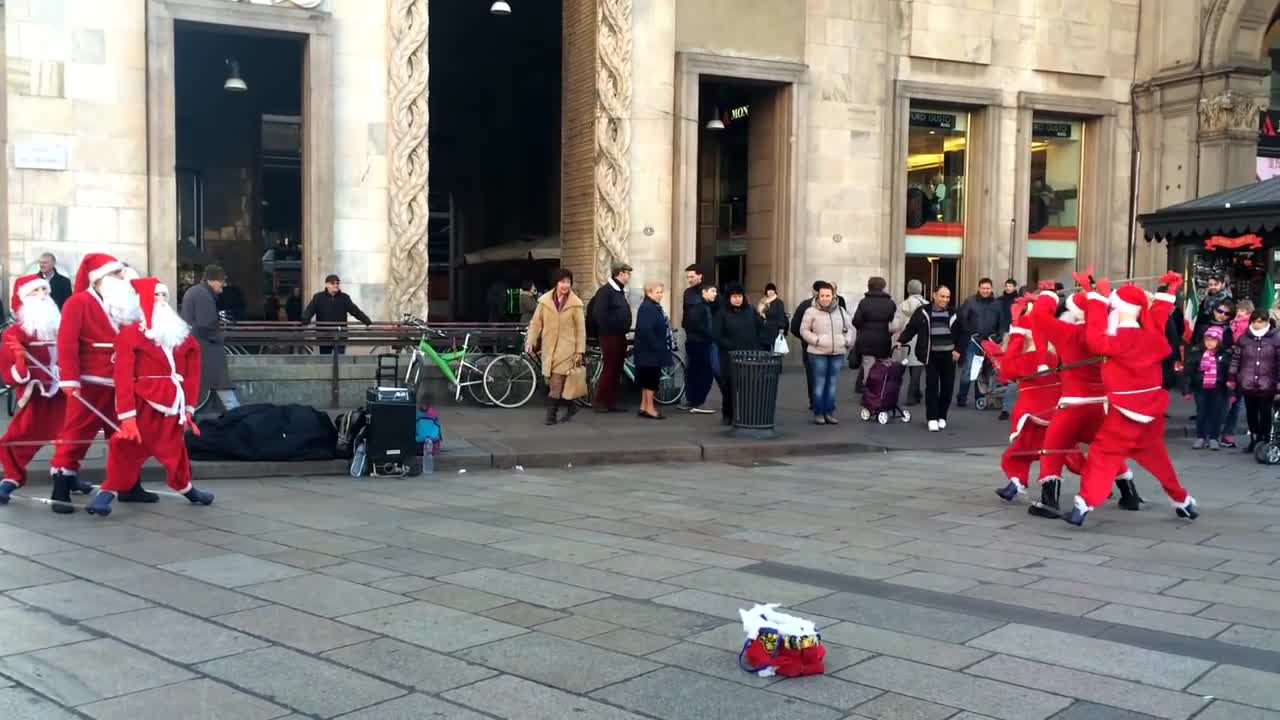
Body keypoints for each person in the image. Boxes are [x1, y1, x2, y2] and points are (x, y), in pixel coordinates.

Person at [1065, 273, 1198, 527]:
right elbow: (1157, 316)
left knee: (1101, 456)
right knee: (1158, 460)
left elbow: (1093, 335)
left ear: (1119, 308)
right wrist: (1168, 290)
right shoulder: (1152, 336)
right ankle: (1183, 501)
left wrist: (1092, 296)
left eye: (1113, 306)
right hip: (1151, 411)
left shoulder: (1115, 340)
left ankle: (1084, 504)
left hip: (1124, 413)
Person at [86, 279, 214, 517]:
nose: (162, 302)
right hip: (143, 404)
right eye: (156, 296)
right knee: (124, 449)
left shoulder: (181, 335)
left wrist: (188, 406)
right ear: (143, 300)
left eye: (165, 296)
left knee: (175, 452)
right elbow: (122, 376)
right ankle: (106, 493)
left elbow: (192, 372)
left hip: (172, 405)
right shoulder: (131, 335)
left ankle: (186, 488)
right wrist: (127, 416)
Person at [50, 253, 157, 513]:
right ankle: (61, 489)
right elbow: (66, 343)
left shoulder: (123, 305)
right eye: (117, 274)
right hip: (89, 382)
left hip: (122, 383)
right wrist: (70, 379)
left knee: (127, 434)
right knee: (76, 434)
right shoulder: (78, 302)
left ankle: (129, 485)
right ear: (100, 279)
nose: (123, 278)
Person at [1023, 283, 1137, 517]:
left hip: (1073, 405)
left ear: (1075, 311)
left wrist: (1048, 294)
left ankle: (1049, 501)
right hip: (1100, 406)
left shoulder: (1068, 333)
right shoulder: (1110, 336)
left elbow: (1038, 315)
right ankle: (1129, 493)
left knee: (1052, 448)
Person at [0, 275, 67, 505]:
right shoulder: (14, 333)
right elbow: (10, 374)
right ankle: (11, 478)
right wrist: (19, 358)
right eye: (36, 291)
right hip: (36, 395)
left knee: (70, 438)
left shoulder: (60, 328)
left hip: (63, 393)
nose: (43, 295)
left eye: (45, 290)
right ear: (24, 298)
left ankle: (68, 478)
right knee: (17, 438)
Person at [992, 296, 1063, 502]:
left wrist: (1014, 332)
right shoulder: (1054, 355)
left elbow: (1007, 373)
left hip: (1033, 413)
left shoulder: (1026, 359)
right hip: (1050, 412)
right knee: (1032, 451)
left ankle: (1037, 493)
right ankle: (1016, 485)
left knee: (1022, 452)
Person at [525, 269, 586, 425]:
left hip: (567, 349)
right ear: (556, 283)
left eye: (568, 282)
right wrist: (530, 341)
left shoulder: (576, 304)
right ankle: (572, 405)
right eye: (562, 281)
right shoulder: (544, 302)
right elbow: (536, 323)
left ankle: (550, 416)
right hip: (549, 348)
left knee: (556, 382)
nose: (565, 285)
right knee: (555, 382)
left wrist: (580, 350)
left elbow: (580, 329)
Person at [896, 285, 961, 432]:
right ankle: (932, 418)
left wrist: (958, 350)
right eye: (942, 296)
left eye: (947, 297)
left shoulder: (954, 313)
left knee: (947, 387)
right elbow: (911, 328)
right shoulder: (923, 311)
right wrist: (901, 341)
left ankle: (942, 416)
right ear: (934, 295)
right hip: (930, 355)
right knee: (932, 387)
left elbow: (963, 333)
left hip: (949, 356)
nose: (945, 299)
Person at [181, 265, 239, 414]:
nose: (224, 285)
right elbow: (206, 325)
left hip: (200, 347)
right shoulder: (203, 295)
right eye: (221, 281)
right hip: (206, 349)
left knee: (210, 390)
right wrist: (220, 337)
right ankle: (239, 417)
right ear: (212, 280)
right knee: (222, 388)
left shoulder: (197, 292)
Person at [713, 284, 768, 426]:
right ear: (729, 298)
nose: (737, 299)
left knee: (748, 388)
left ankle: (746, 414)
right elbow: (717, 335)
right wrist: (729, 346)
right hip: (729, 357)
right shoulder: (722, 313)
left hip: (750, 356)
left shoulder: (750, 311)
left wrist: (760, 346)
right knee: (729, 388)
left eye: (740, 296)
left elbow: (761, 328)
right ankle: (728, 415)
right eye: (734, 297)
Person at [800, 282, 853, 425]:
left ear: (833, 296)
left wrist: (847, 341)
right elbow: (803, 330)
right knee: (820, 383)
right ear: (818, 296)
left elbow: (850, 328)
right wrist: (816, 340)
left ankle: (829, 412)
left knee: (832, 384)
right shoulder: (810, 311)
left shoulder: (841, 311)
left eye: (828, 295)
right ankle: (819, 413)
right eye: (822, 295)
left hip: (837, 352)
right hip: (818, 352)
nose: (825, 298)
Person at [1230, 309, 1279, 453]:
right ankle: (1254, 437)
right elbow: (1236, 359)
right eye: (1255, 321)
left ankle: (1264, 438)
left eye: (1260, 321)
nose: (1257, 324)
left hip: (1267, 383)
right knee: (1251, 413)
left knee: (1265, 412)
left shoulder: (1276, 338)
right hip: (1248, 381)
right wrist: (1232, 377)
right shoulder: (1244, 338)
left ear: (1266, 322)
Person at [589, 262, 633, 413]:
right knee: (609, 368)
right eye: (627, 273)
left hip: (619, 336)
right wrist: (611, 328)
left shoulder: (618, 291)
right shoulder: (606, 291)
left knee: (616, 369)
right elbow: (599, 314)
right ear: (620, 273)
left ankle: (610, 401)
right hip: (610, 336)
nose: (629, 276)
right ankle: (600, 401)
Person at [955, 278, 1004, 407]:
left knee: (985, 372)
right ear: (979, 288)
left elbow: (1002, 322)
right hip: (974, 341)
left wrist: (999, 336)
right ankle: (962, 396)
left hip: (990, 342)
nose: (985, 291)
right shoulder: (970, 302)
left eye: (988, 288)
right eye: (983, 288)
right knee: (969, 370)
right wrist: (969, 332)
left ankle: (980, 397)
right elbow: (961, 318)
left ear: (991, 288)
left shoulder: (997, 304)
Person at [302, 274, 373, 354]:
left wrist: (367, 321)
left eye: (337, 283)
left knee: (340, 360)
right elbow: (309, 310)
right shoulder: (318, 297)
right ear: (327, 285)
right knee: (325, 360)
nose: (336, 285)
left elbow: (355, 311)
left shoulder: (344, 298)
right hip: (324, 335)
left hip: (340, 335)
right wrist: (305, 320)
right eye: (333, 283)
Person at [634, 281, 673, 420]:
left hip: (647, 351)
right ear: (649, 292)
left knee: (646, 380)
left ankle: (644, 406)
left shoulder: (650, 306)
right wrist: (657, 346)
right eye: (658, 292)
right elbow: (646, 330)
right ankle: (650, 408)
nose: (660, 295)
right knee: (651, 380)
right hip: (650, 351)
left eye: (661, 292)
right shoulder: (648, 307)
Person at [851, 276, 897, 393]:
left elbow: (856, 321)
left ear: (869, 286)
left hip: (866, 339)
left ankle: (869, 392)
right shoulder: (890, 303)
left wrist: (864, 327)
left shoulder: (864, 302)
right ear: (883, 286)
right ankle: (881, 390)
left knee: (868, 366)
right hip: (883, 338)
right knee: (883, 365)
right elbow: (894, 321)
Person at [1220, 299, 1254, 447]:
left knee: (1236, 402)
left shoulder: (1249, 328)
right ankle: (1221, 432)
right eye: (1239, 310)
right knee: (1226, 401)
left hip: (1242, 368)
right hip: (1229, 365)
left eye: (1242, 311)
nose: (1239, 313)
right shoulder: (1232, 325)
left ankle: (1228, 433)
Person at [681, 284, 718, 414]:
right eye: (712, 291)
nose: (715, 294)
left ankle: (694, 400)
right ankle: (699, 402)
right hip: (699, 343)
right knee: (704, 373)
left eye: (716, 291)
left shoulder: (702, 306)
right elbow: (695, 325)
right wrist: (711, 335)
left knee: (695, 372)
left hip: (696, 342)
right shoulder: (700, 306)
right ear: (704, 292)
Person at [790, 282, 823, 410]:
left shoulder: (833, 308)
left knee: (814, 376)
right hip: (811, 348)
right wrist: (808, 339)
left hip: (814, 347)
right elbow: (795, 327)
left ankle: (816, 402)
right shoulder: (805, 306)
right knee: (819, 376)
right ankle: (819, 402)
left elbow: (794, 328)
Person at [896, 279, 928, 405]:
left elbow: (897, 323)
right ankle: (911, 395)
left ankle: (917, 392)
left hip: (906, 338)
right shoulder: (925, 304)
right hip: (920, 338)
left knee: (910, 364)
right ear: (920, 289)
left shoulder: (902, 305)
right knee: (918, 367)